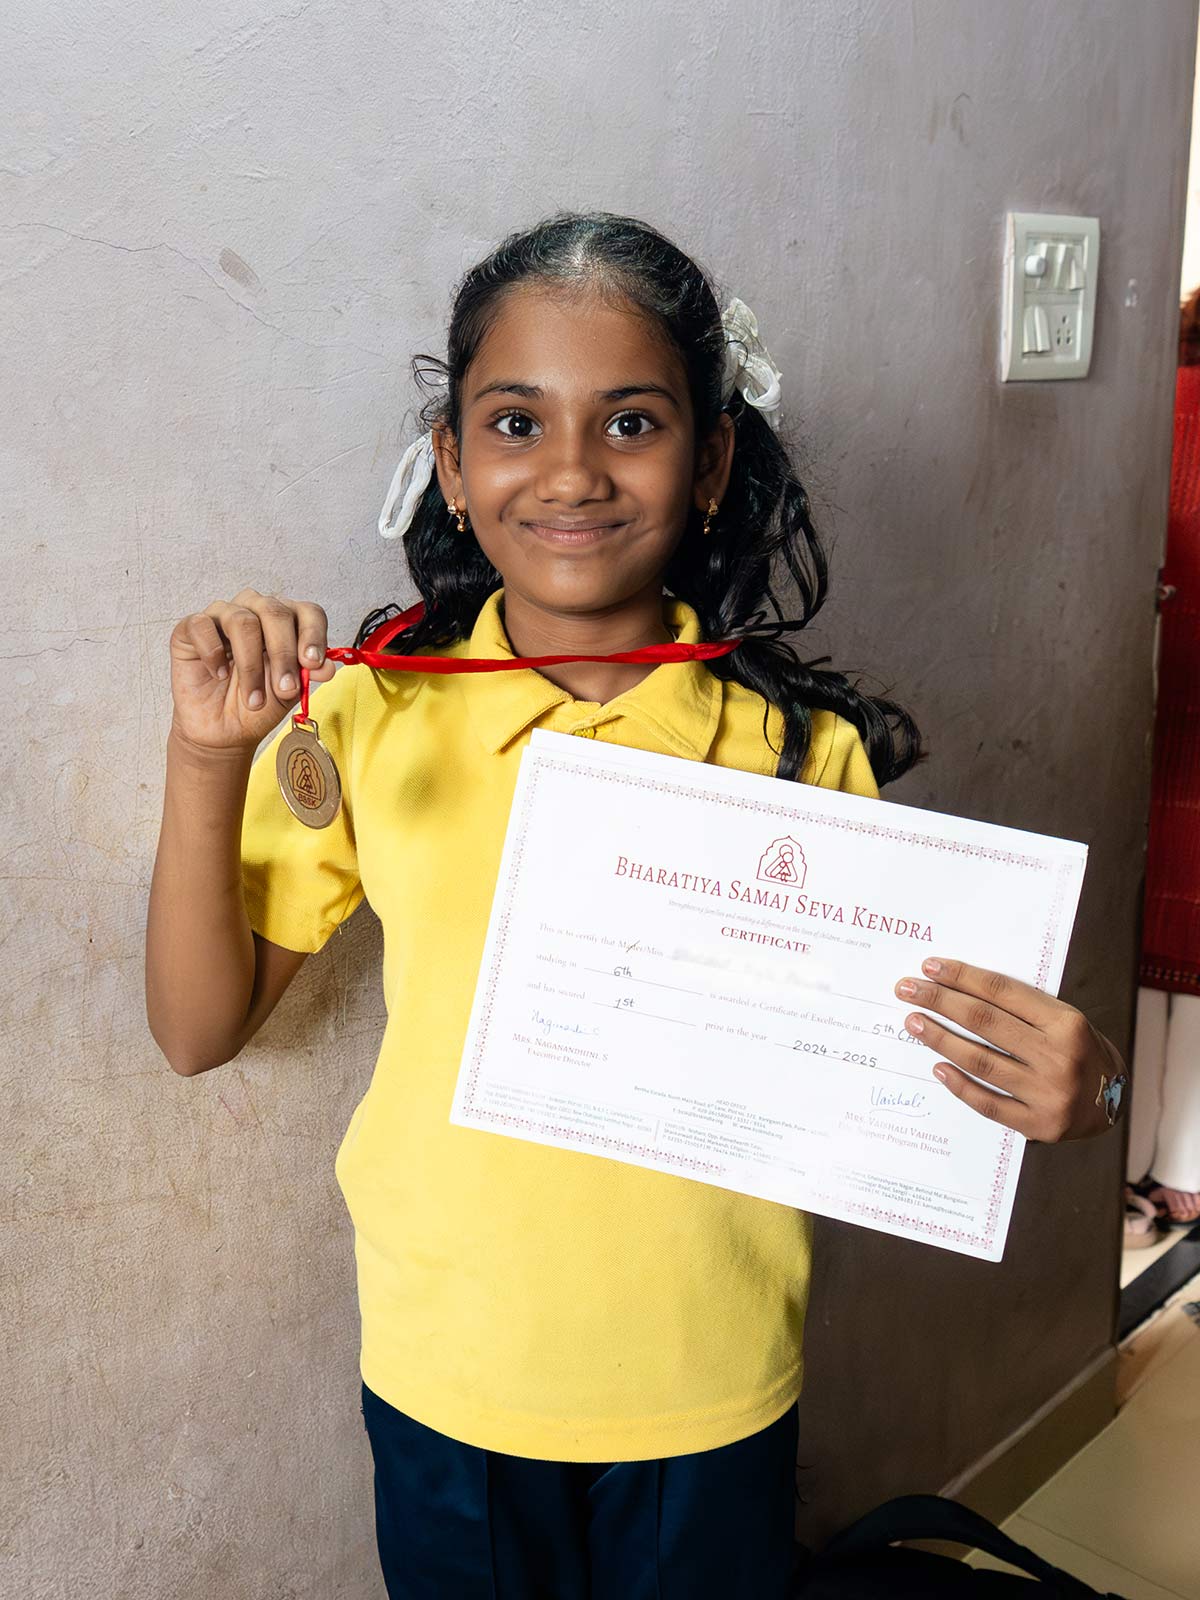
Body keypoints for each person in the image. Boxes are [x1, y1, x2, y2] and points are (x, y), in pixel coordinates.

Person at [145, 212, 1128, 1600]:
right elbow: (196, 1032)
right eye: (513, 421)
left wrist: (1077, 1093)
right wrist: (204, 757)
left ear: (713, 458)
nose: (570, 473)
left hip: (712, 1382)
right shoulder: (371, 715)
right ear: (450, 463)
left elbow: (897, 1075)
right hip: (451, 1375)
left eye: (630, 423)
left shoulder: (801, 755)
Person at [1125, 283, 1200, 1239]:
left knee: (1140, 944)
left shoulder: (1151, 405)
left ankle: (1128, 1172)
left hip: (1148, 698)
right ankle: (1186, 1170)